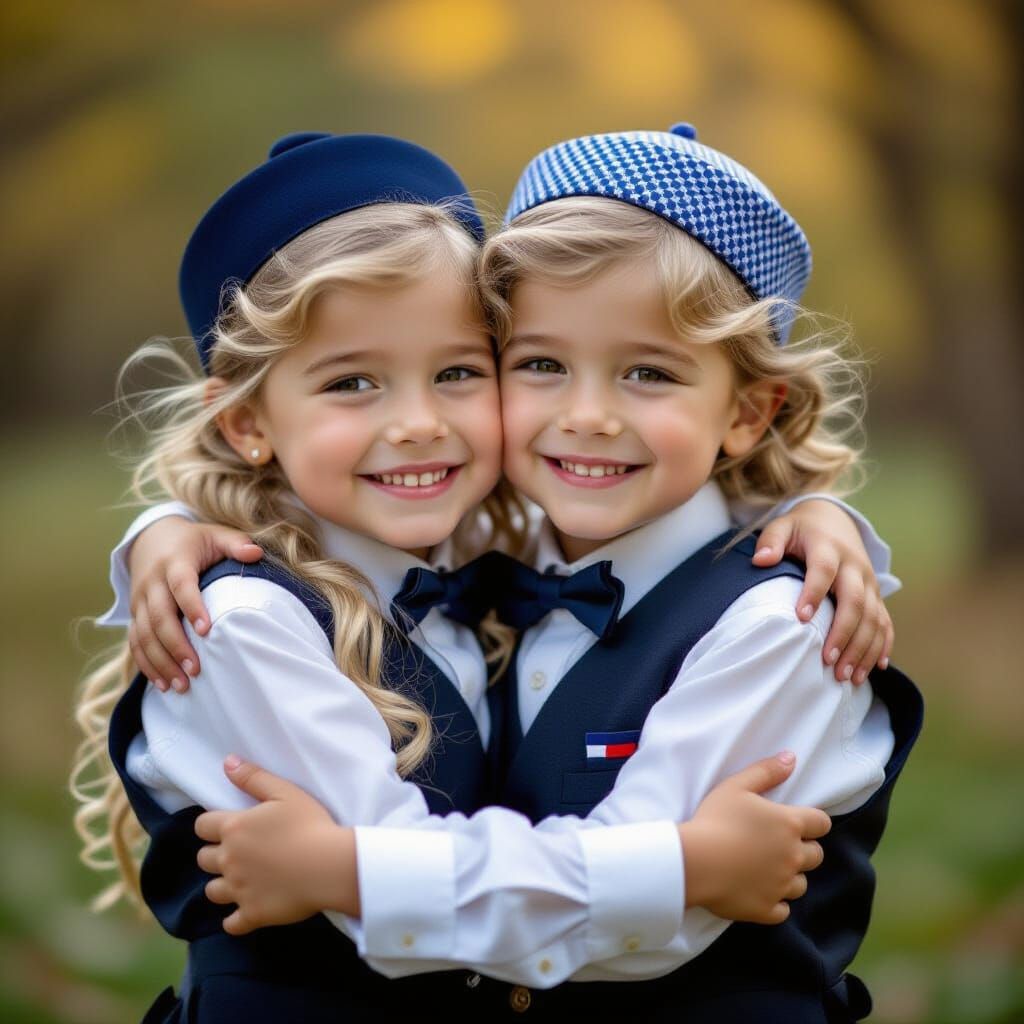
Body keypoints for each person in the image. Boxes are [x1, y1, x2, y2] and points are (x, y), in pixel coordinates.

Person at [72, 131, 836, 1023]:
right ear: (247, 423)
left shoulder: (517, 580)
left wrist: (828, 518)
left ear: (746, 412)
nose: (418, 425)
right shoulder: (237, 621)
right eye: (353, 382)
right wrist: (685, 867)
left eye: (460, 373)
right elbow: (387, 895)